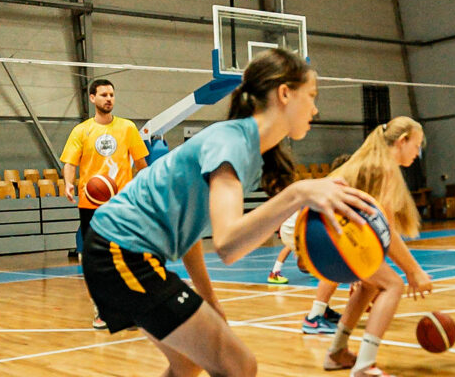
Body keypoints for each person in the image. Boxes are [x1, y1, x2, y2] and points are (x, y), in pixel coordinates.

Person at [81, 48, 373, 377]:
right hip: (120, 250)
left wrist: (209, 299)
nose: (316, 108)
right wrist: (299, 193)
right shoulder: (232, 144)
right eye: (312, 96)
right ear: (285, 93)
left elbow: (187, 227)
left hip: (118, 250)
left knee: (187, 364)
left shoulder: (244, 148)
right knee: (239, 365)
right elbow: (228, 245)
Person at [323, 117, 433, 377]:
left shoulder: (373, 163)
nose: (417, 155)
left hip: (322, 233)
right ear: (402, 140)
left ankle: (336, 353)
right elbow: (389, 234)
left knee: (371, 283)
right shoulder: (383, 168)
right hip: (322, 233)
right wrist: (413, 271)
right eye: (416, 146)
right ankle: (363, 367)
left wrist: (401, 268)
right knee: (392, 284)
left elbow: (382, 234)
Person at [60, 78, 149, 328]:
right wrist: (68, 183)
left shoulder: (128, 128)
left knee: (126, 256)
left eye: (111, 94)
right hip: (91, 204)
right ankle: (102, 308)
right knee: (97, 260)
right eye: (103, 95)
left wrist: (139, 187)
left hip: (122, 204)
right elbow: (70, 163)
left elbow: (142, 165)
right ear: (92, 98)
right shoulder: (81, 131)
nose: (108, 99)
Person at [267, 154, 353, 335]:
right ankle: (314, 318)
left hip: (298, 229)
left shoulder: (331, 185)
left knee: (331, 265)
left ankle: (323, 309)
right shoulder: (335, 187)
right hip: (295, 229)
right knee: (335, 262)